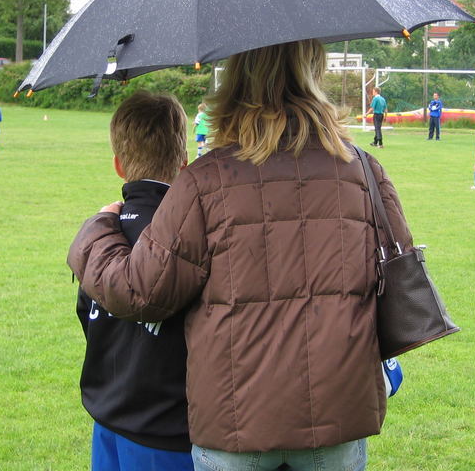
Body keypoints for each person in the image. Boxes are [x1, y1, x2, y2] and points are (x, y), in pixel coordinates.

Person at [68, 39, 415, 471]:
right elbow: (395, 275)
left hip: (236, 420)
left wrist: (96, 231)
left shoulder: (203, 179)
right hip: (337, 409)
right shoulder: (363, 170)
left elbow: (140, 292)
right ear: (314, 71)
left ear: (236, 80)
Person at [72, 90, 192, 471]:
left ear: (118, 165)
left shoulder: (99, 237)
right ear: (184, 163)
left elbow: (86, 315)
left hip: (107, 422)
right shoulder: (191, 237)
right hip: (166, 436)